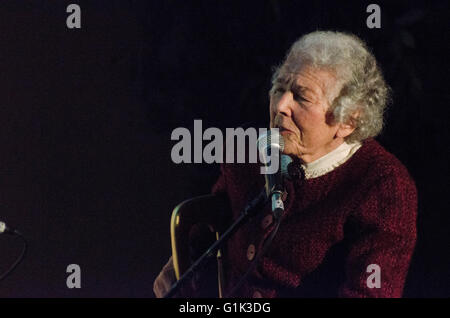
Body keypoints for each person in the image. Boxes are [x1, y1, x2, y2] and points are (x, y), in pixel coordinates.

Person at [153, 31, 417, 298]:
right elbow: (211, 232)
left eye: (301, 97)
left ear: (348, 121)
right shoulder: (248, 154)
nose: (280, 105)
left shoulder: (383, 185)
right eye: (279, 89)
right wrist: (182, 270)